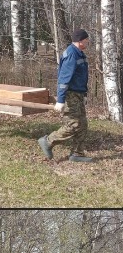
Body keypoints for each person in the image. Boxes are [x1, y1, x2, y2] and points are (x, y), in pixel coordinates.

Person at [38, 29, 92, 163]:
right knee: (73, 124)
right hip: (70, 95)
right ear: (80, 41)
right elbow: (64, 78)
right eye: (86, 40)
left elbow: (80, 77)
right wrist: (60, 100)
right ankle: (48, 141)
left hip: (78, 94)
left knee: (83, 124)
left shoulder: (80, 54)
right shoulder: (72, 55)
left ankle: (77, 154)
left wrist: (84, 94)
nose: (88, 42)